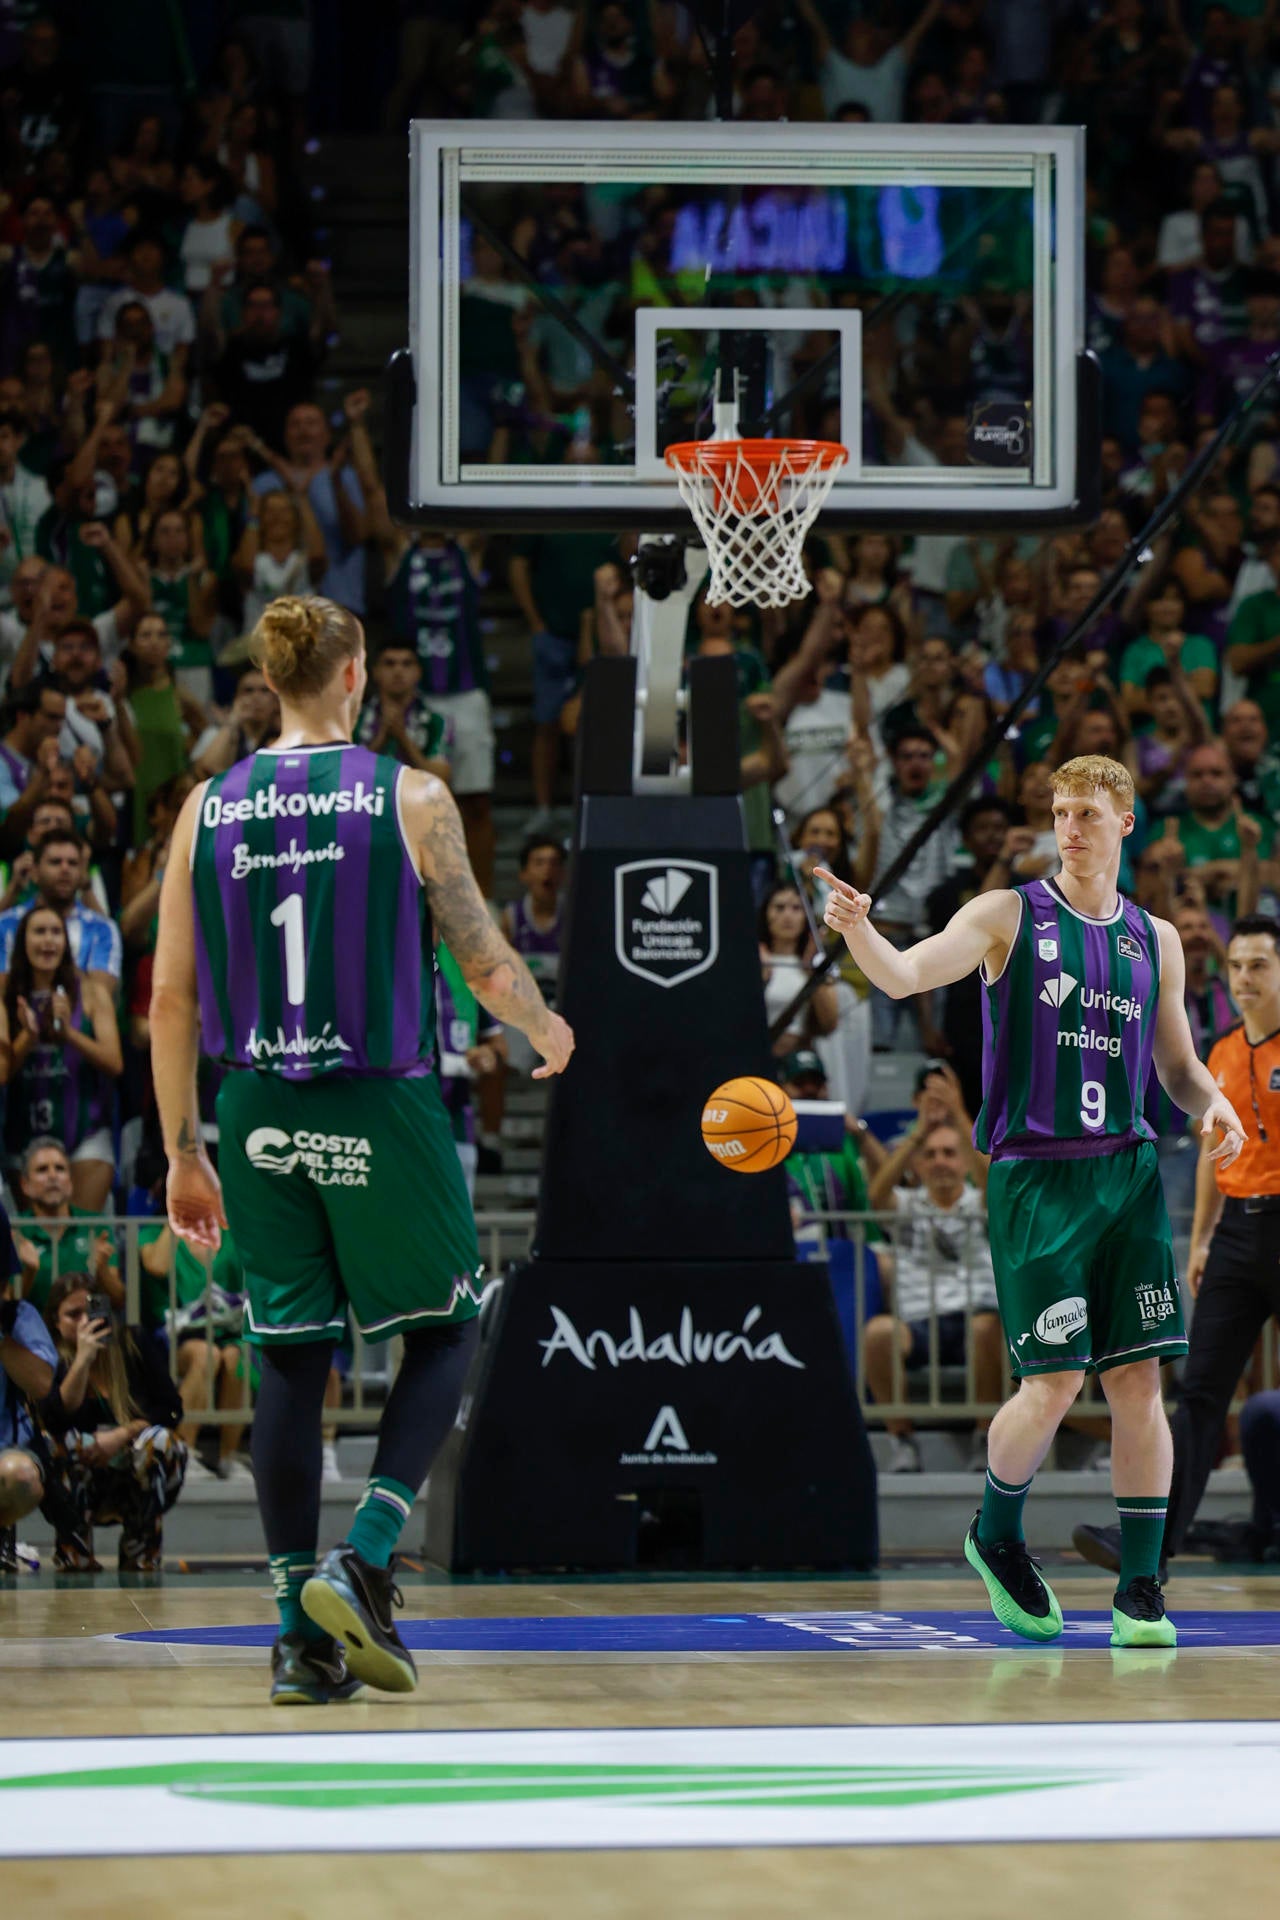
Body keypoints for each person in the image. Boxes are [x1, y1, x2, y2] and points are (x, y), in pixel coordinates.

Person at [151, 593, 574, 1705]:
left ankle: (296, 1637)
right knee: (447, 1326)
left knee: (288, 1356)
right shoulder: (409, 794)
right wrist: (543, 1026)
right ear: (352, 681)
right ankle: (369, 1556)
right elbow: (482, 960)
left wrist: (180, 1147)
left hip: (252, 1107)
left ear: (271, 679)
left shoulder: (206, 806)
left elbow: (168, 996)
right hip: (374, 1100)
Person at [816, 753, 1245, 1648]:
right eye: (1060, 812)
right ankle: (995, 1532)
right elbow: (902, 976)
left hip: (1124, 1172)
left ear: (1125, 823)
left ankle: (1140, 1587)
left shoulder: (1153, 938)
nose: (1071, 828)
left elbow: (1175, 1066)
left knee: (1138, 1382)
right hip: (1035, 1174)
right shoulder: (1008, 914)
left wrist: (1216, 1107)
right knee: (1051, 1384)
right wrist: (858, 930)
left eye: (1088, 812)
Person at [1074, 917, 1280, 1583]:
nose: (1243, 979)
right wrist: (1200, 1238)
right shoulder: (1217, 1052)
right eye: (1237, 966)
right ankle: (1151, 1553)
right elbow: (1208, 1153)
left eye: (1259, 966)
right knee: (1196, 1394)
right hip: (1236, 1237)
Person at [865, 1101, 1003, 1476]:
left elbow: (994, 1183)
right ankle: (902, 1441)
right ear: (917, 1164)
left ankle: (984, 1437)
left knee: (985, 1328)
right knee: (877, 1333)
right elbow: (875, 1197)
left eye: (949, 1153)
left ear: (963, 1160)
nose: (940, 1161)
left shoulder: (983, 1201)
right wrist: (917, 1135)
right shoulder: (906, 1205)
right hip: (921, 1324)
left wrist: (960, 1117)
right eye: (930, 1154)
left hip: (979, 1318)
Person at [34, 1271, 186, 1571]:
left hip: (132, 1474)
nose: (82, 1323)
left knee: (163, 1443)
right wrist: (82, 1360)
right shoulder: (47, 1357)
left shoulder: (133, 1342)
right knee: (55, 1444)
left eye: (88, 1313)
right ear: (55, 1320)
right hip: (79, 1478)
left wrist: (122, 1434)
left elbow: (171, 1409)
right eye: (72, 1315)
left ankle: (140, 1547)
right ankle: (74, 1548)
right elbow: (52, 1419)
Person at [0, 904, 122, 1211]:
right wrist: (28, 1037)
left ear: (66, 942)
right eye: (39, 932)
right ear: (21, 941)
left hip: (86, 1131)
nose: (48, 940)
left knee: (80, 1240)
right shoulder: (5, 995)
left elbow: (115, 1062)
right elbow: (2, 1073)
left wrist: (69, 1034)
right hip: (20, 1131)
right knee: (35, 1244)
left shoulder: (92, 991)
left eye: (56, 932)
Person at [12, 1135, 121, 1315]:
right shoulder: (15, 1231)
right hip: (33, 1336)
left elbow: (118, 1301)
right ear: (25, 1185)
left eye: (60, 1169)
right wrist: (29, 1272)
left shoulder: (96, 1226)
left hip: (89, 1330)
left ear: (70, 1183)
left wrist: (102, 1272)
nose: (53, 1176)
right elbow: (7, 1306)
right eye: (42, 1170)